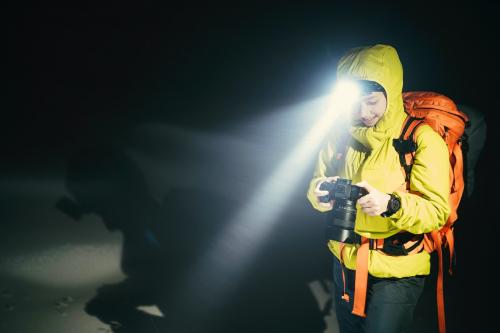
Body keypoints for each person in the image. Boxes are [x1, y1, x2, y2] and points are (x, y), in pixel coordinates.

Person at [306, 44, 450, 333]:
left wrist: (392, 204)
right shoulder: (339, 137)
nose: (363, 112)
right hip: (345, 260)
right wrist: (321, 191)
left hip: (398, 270)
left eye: (371, 101)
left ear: (391, 91)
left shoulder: (420, 138)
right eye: (355, 102)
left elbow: (437, 211)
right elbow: (315, 185)